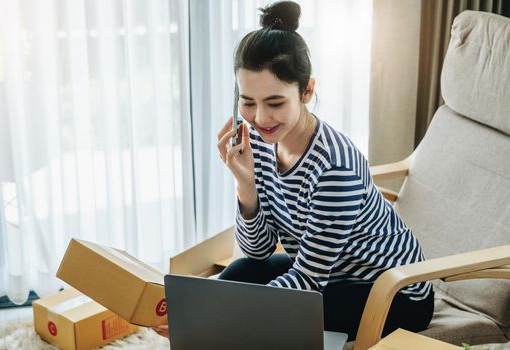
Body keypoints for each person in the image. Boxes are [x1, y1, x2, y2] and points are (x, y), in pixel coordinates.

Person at [153, 0, 434, 341]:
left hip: (392, 290)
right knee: (243, 270)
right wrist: (246, 184)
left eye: (275, 103)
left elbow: (307, 283)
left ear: (306, 91)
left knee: (263, 320)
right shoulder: (258, 142)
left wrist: (214, 316)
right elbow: (257, 252)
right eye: (248, 102)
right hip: (330, 275)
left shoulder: (335, 167)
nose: (260, 119)